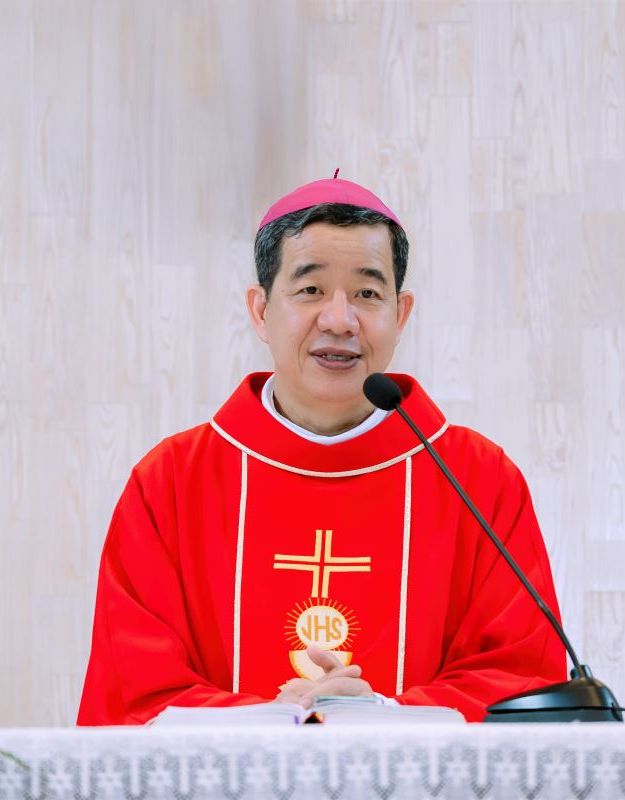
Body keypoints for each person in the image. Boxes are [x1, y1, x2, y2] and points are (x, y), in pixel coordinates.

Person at [77, 175, 566, 724]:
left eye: (367, 294)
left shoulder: (479, 482)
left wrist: (380, 715)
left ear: (401, 314)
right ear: (260, 310)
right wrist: (272, 722)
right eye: (310, 290)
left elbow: (521, 679)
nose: (339, 320)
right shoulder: (169, 484)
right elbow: (132, 694)